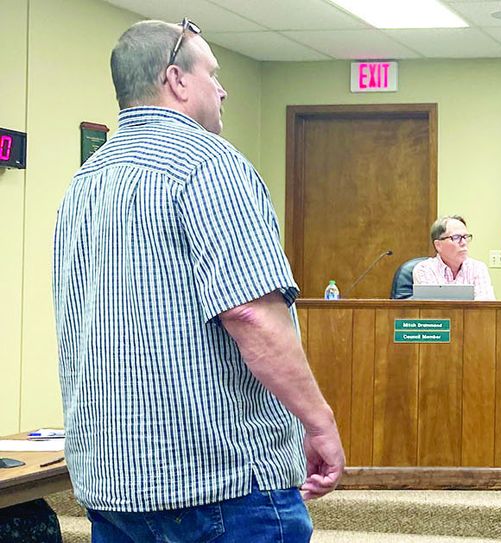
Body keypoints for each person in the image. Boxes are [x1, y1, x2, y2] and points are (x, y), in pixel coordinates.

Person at [52, 20, 343, 541]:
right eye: (213, 72)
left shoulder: (84, 181)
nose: (224, 88)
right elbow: (250, 312)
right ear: (176, 80)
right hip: (218, 486)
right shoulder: (210, 164)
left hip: (110, 483)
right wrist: (317, 421)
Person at [413, 215, 496, 300]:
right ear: (438, 245)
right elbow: (431, 309)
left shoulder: (478, 268)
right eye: (456, 237)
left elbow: (485, 307)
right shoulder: (424, 269)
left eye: (466, 237)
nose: (464, 243)